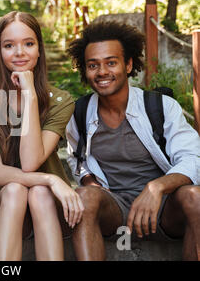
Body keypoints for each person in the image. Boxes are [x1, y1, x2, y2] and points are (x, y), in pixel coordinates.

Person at [65, 20, 200, 261]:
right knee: (84, 196)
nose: (102, 72)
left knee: (195, 196)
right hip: (114, 209)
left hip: (165, 208)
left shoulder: (160, 107)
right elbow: (77, 157)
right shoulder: (80, 112)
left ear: (128, 65)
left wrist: (156, 187)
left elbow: (193, 158)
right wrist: (89, 181)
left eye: (111, 63)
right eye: (93, 65)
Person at [0, 11, 84, 261]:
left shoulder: (60, 100)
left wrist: (31, 94)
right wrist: (52, 179)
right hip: (10, 210)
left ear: (39, 49)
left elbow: (31, 160)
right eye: (9, 45)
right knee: (14, 190)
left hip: (52, 208)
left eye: (28, 43)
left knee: (39, 193)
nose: (19, 52)